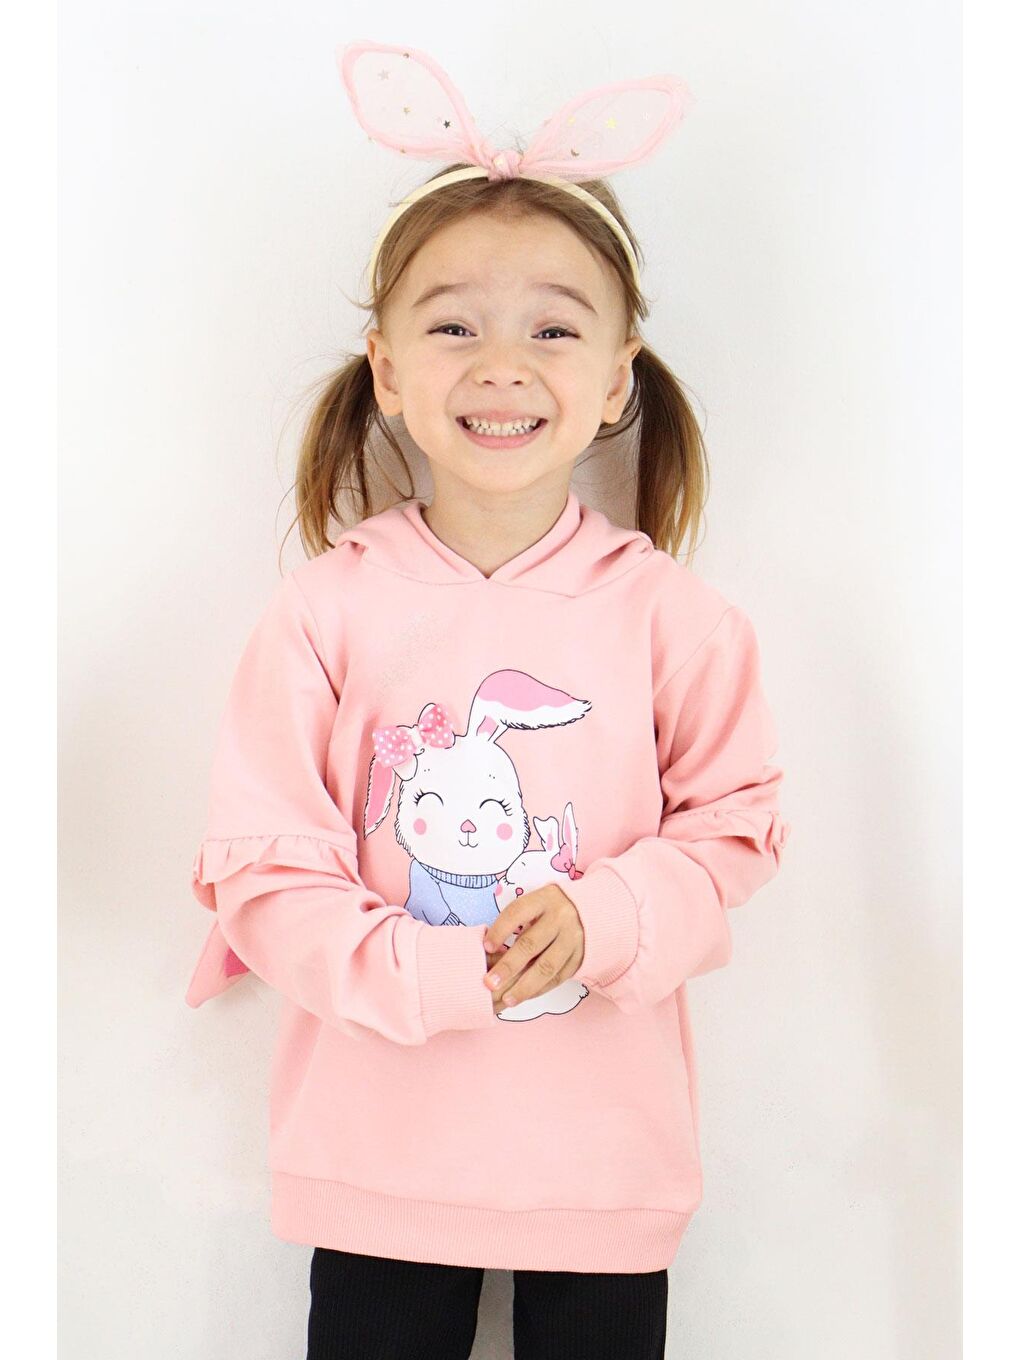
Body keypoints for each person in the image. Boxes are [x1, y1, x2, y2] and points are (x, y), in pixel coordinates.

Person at [185, 39, 792, 1360]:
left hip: (607, 1169)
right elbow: (261, 872)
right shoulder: (321, 615)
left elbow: (737, 831)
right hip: (376, 1161)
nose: (502, 364)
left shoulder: (676, 620)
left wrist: (606, 915)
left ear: (618, 376)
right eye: (453, 324)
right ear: (386, 369)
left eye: (554, 328)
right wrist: (438, 969)